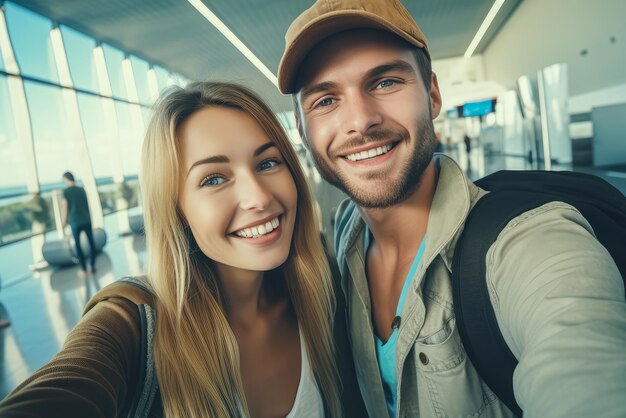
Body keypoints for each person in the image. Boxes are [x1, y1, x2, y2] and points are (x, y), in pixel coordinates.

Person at [278, 1, 626, 417]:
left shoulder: (527, 242)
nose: (361, 120)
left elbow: (584, 363)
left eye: (385, 82)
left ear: (432, 94)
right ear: (302, 128)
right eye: (325, 101)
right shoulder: (344, 235)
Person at [0, 82, 364, 417]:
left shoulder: (321, 290)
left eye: (267, 163)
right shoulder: (129, 326)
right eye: (214, 179)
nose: (258, 197)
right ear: (176, 209)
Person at [61, 171, 97, 275]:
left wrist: (64, 222)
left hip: (75, 222)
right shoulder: (82, 190)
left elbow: (65, 207)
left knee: (78, 245)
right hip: (86, 220)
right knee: (91, 243)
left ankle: (84, 270)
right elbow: (86, 205)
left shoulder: (66, 192)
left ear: (66, 180)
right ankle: (93, 266)